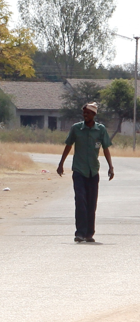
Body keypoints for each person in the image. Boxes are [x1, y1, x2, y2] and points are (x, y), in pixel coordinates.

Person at [57, 102, 114, 243]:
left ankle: (89, 233)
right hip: (79, 170)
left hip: (93, 171)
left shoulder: (100, 130)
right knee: (80, 201)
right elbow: (68, 145)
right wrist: (61, 163)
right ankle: (80, 233)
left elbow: (106, 148)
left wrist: (111, 167)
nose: (85, 115)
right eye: (84, 113)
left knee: (91, 203)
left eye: (88, 113)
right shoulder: (76, 128)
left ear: (94, 114)